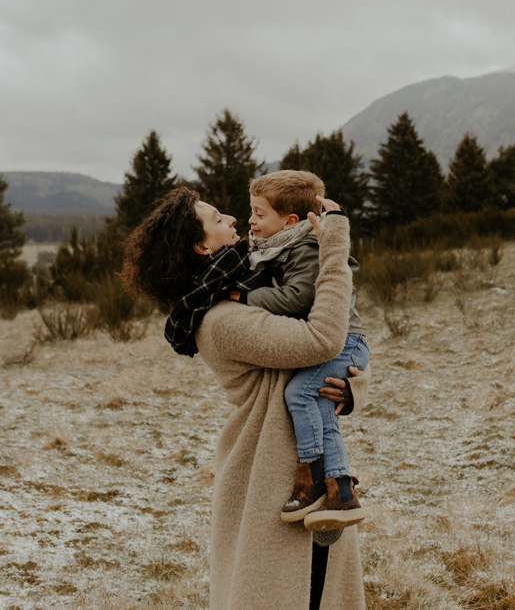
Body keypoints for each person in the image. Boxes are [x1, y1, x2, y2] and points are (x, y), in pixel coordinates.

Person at [121, 187, 369, 610]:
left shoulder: (253, 282)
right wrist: (334, 240)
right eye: (217, 219)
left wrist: (351, 389)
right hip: (268, 476)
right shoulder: (221, 319)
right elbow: (325, 336)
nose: (233, 220)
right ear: (201, 246)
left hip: (310, 465)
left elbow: (334, 350)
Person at [235, 171, 368, 531]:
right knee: (320, 411)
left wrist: (246, 298)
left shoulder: (303, 246)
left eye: (259, 213)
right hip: (343, 343)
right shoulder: (278, 247)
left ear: (290, 221)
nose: (251, 220)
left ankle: (312, 477)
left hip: (345, 341)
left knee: (301, 393)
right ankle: (340, 492)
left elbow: (301, 296)